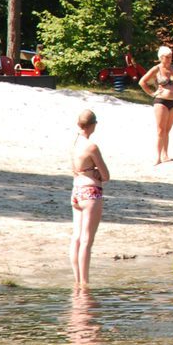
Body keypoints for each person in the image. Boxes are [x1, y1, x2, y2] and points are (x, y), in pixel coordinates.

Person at [70, 110, 108, 288]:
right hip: (91, 191)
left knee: (76, 238)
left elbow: (74, 170)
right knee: (86, 240)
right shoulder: (91, 146)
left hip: (77, 190)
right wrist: (96, 172)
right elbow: (106, 175)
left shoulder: (74, 143)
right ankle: (84, 282)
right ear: (93, 124)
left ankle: (77, 281)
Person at [139, 45, 173, 165]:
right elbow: (142, 82)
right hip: (161, 101)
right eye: (167, 57)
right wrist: (152, 93)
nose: (169, 59)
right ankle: (157, 156)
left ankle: (165, 154)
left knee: (167, 130)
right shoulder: (156, 69)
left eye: (170, 56)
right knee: (160, 130)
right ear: (161, 57)